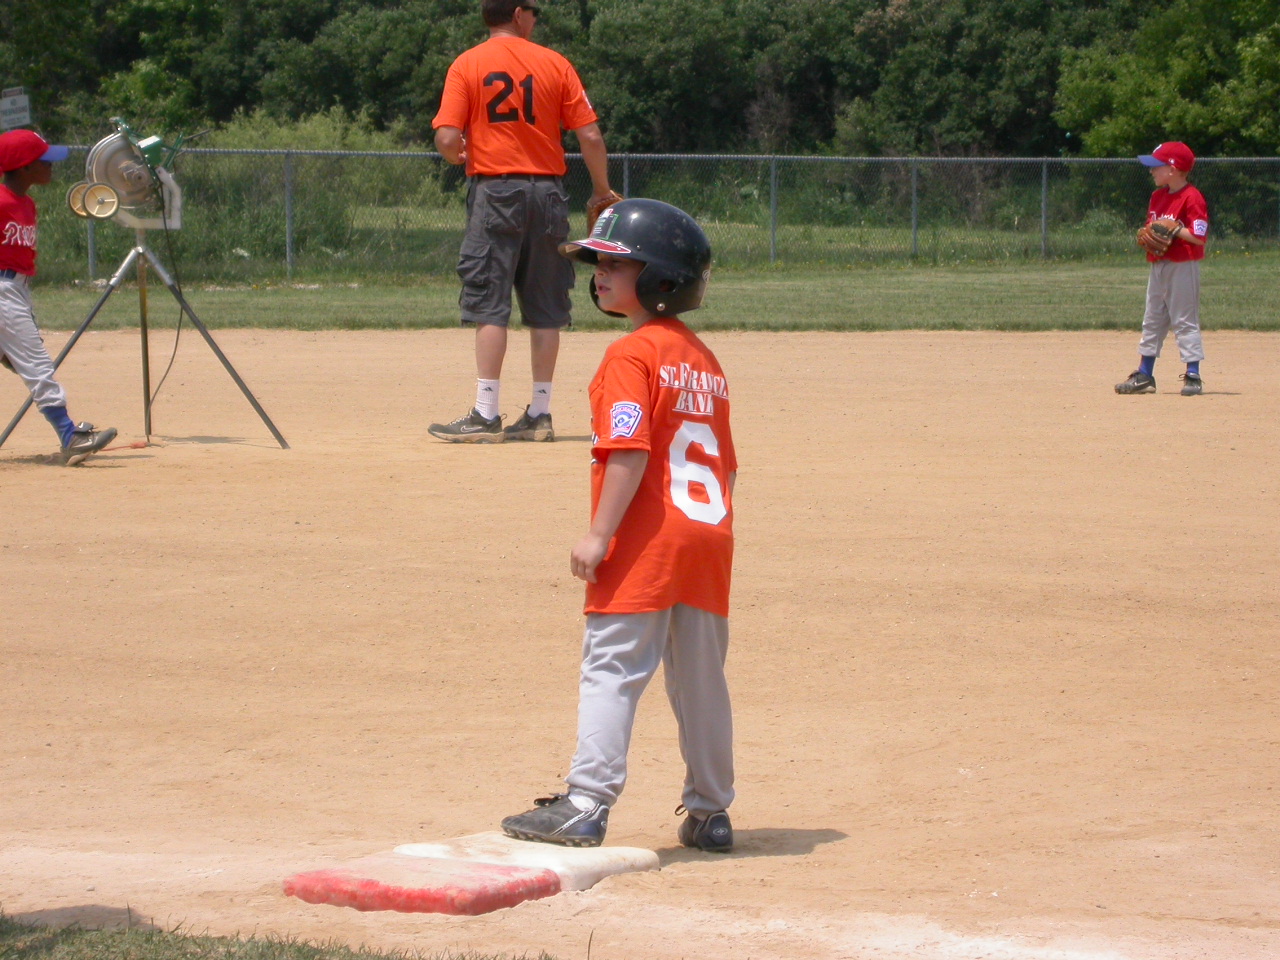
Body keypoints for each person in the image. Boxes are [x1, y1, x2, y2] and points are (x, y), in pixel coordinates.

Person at [501, 199, 737, 852]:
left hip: (647, 541)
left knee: (612, 666)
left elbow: (628, 451)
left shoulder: (631, 356)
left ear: (660, 277)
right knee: (700, 683)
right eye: (598, 264)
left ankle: (586, 801)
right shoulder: (704, 361)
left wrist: (600, 534)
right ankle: (712, 812)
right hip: (708, 537)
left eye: (616, 264)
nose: (599, 274)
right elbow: (727, 465)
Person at [428, 0, 617, 443]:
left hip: (495, 191)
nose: (535, 18)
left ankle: (485, 414)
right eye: (533, 11)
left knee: (489, 302)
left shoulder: (467, 64)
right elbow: (590, 134)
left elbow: (447, 136)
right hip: (548, 193)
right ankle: (540, 413)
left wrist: (455, 154)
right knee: (546, 305)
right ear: (517, 13)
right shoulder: (555, 63)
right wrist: (601, 190)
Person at [1, 130, 117, 465]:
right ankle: (70, 435)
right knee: (37, 364)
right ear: (24, 167)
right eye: (44, 161)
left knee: (25, 360)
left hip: (16, 289)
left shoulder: (27, 204)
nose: (51, 166)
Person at [1115, 141, 1209, 397]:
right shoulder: (1157, 197)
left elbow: (1199, 236)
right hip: (1158, 264)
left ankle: (1193, 374)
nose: (1152, 171)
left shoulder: (1192, 197)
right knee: (1152, 319)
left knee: (1184, 319)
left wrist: (1176, 229)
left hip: (1183, 265)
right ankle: (1145, 374)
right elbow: (1152, 227)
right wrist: (1147, 235)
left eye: (1157, 166)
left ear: (1173, 168)